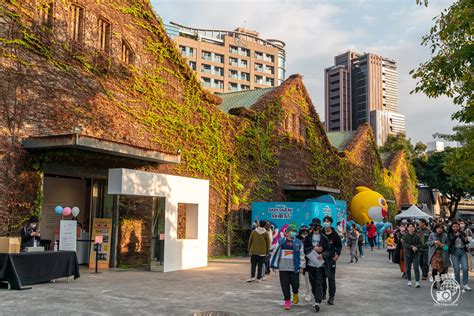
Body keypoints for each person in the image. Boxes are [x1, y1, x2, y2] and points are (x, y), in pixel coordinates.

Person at [270, 225, 306, 310]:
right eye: (292, 231)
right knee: (285, 286)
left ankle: (295, 293)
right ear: (287, 232)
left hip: (294, 268)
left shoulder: (298, 243)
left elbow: (302, 255)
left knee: (296, 284)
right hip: (283, 268)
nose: (293, 233)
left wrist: (302, 267)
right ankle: (287, 301)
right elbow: (275, 253)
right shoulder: (281, 241)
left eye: (295, 231)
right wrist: (274, 265)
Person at [303, 218, 329, 312]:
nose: (314, 227)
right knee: (313, 283)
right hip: (310, 264)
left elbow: (328, 251)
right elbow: (304, 249)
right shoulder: (307, 238)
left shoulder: (324, 238)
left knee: (319, 283)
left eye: (316, 226)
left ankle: (317, 302)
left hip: (320, 265)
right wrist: (313, 248)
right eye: (313, 226)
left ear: (319, 226)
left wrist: (323, 255)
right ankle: (316, 298)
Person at [321, 216, 342, 306]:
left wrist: (337, 255)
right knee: (321, 278)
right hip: (321, 259)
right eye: (324, 221)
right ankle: (323, 293)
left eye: (327, 221)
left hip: (331, 260)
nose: (326, 222)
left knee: (331, 279)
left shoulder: (335, 234)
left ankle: (331, 297)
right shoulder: (320, 233)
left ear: (331, 223)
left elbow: (339, 246)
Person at [448, 221, 471, 291]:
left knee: (465, 268)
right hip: (454, 253)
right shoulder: (449, 234)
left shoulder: (462, 233)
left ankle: (465, 284)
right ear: (452, 227)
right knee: (457, 269)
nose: (455, 228)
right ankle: (457, 284)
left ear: (459, 227)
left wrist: (466, 240)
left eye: (457, 226)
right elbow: (450, 242)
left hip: (462, 251)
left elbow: (466, 242)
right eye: (454, 227)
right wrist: (455, 236)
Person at [427, 223, 450, 289]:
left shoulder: (445, 235)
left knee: (442, 270)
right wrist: (434, 242)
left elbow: (447, 247)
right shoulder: (432, 234)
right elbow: (428, 243)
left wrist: (441, 245)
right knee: (435, 269)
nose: (439, 229)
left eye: (441, 228)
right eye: (438, 228)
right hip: (434, 254)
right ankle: (435, 282)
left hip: (443, 254)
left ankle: (442, 282)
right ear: (435, 229)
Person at [402, 223, 421, 287]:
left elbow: (420, 244)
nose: (411, 228)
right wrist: (411, 247)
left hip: (415, 254)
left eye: (412, 227)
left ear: (414, 228)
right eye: (410, 227)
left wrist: (416, 247)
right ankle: (409, 280)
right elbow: (404, 244)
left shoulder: (417, 236)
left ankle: (417, 282)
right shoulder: (405, 236)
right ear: (407, 228)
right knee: (408, 268)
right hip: (407, 254)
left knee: (416, 267)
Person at [297, 225, 312, 302]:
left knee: (307, 279)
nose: (305, 232)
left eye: (306, 231)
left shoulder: (310, 239)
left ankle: (308, 294)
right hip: (296, 262)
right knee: (295, 280)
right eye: (303, 231)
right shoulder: (296, 239)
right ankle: (295, 295)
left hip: (307, 262)